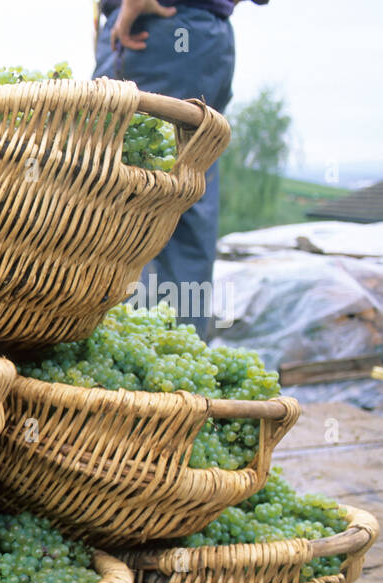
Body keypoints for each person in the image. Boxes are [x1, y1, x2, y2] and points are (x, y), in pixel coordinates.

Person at [93, 0, 267, 336]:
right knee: (187, 188)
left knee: (120, 191)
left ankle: (121, 362)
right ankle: (175, 364)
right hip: (203, 38)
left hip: (157, 31)